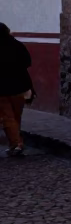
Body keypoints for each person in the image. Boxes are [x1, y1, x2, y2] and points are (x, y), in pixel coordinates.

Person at [0, 23, 32, 158]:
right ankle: (15, 144)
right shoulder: (18, 45)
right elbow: (28, 62)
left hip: (2, 88)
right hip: (20, 87)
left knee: (7, 118)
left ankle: (17, 144)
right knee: (15, 116)